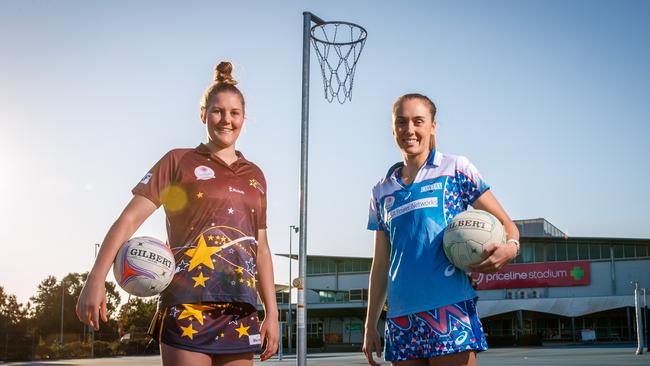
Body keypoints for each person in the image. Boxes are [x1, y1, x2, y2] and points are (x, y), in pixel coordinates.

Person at [76, 61, 278, 365]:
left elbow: (260, 248)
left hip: (240, 311)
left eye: (234, 113)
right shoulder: (177, 161)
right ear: (203, 114)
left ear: (243, 118)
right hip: (187, 306)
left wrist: (272, 313)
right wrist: (96, 278)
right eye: (217, 111)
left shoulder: (256, 176)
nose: (226, 120)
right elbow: (129, 219)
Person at [362, 93, 520, 366]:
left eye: (418, 121)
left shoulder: (456, 169)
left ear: (432, 126)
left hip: (449, 307)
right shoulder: (381, 190)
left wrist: (511, 247)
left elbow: (508, 225)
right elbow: (381, 264)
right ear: (392, 128)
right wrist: (370, 325)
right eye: (401, 122)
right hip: (401, 315)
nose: (409, 130)